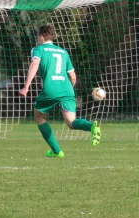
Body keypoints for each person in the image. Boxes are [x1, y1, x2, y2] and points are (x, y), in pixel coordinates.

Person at [19, 25, 101, 158]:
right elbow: (73, 76)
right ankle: (92, 126)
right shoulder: (63, 52)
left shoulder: (38, 49)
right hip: (67, 89)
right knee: (71, 122)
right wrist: (68, 90)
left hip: (50, 89)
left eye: (37, 37)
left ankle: (57, 151)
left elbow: (34, 65)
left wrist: (26, 86)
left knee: (39, 117)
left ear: (41, 37)